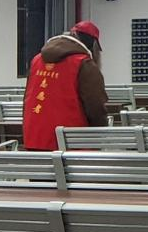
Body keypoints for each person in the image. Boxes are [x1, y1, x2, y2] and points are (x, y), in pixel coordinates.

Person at [22, 20, 109, 151]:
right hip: (71, 145)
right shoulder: (84, 64)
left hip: (34, 141)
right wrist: (101, 131)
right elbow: (95, 106)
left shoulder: (36, 60)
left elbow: (27, 99)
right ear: (93, 45)